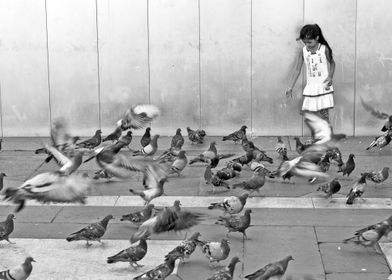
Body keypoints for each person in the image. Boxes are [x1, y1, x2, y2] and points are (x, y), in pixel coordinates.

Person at [285, 24, 335, 121]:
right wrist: (290, 86)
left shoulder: (324, 49)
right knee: (313, 115)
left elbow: (332, 63)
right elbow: (297, 70)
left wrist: (330, 76)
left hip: (323, 87)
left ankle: (326, 135)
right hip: (311, 87)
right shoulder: (303, 51)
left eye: (309, 42)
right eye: (305, 42)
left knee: (324, 114)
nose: (307, 44)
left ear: (317, 38)